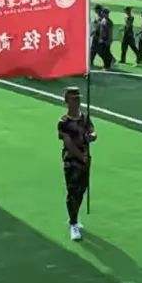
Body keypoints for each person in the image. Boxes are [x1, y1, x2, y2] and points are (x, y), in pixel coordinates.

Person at [58, 87, 96, 242]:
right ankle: (73, 223)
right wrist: (82, 157)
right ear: (67, 101)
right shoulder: (63, 122)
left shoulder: (84, 118)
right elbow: (68, 143)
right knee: (72, 191)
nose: (77, 102)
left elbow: (93, 131)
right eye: (74, 99)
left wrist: (91, 136)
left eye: (78, 98)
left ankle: (73, 216)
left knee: (82, 190)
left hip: (85, 159)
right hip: (72, 161)